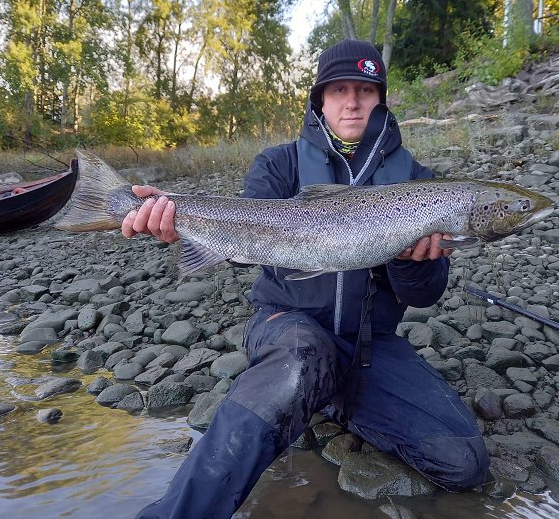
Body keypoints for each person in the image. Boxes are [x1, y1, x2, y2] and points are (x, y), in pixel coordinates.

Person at [121, 40, 489, 518]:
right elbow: (243, 242)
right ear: (320, 100)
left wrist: (410, 259)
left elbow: (425, 294)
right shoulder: (280, 164)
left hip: (369, 345)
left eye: (365, 90)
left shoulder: (420, 181)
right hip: (286, 326)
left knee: (465, 463)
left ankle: (326, 393)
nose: (352, 102)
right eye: (339, 90)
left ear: (381, 99)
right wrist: (174, 215)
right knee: (302, 357)